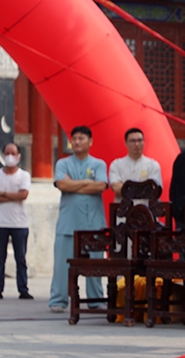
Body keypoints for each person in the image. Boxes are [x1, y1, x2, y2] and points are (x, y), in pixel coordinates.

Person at [49, 126, 108, 312]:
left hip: (94, 223)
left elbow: (100, 186)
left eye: (81, 138)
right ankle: (58, 300)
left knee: (95, 264)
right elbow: (61, 184)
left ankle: (95, 299)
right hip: (68, 222)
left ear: (90, 142)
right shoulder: (62, 163)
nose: (77, 142)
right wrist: (87, 183)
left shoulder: (99, 164)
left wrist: (73, 184)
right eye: (74, 138)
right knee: (61, 265)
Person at [0, 143, 32, 299]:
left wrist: (3, 194)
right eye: (7, 153)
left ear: (18, 156)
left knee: (21, 258)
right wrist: (12, 195)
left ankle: (23, 289)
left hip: (19, 223)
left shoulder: (24, 175)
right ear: (3, 155)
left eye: (13, 153)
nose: (9, 156)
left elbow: (23, 195)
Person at [108, 128, 163, 203]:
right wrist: (142, 189)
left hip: (147, 211)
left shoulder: (153, 165)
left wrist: (127, 189)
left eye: (140, 140)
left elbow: (154, 189)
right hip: (123, 211)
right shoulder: (116, 164)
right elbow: (115, 187)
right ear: (125, 143)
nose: (137, 144)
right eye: (132, 141)